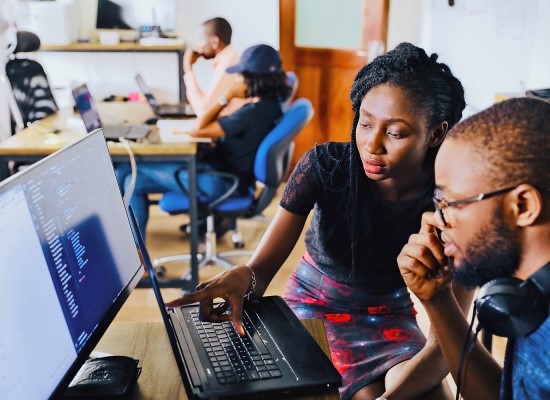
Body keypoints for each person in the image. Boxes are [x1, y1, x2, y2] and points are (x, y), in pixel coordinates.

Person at [167, 42, 470, 400]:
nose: (372, 145)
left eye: (395, 132)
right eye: (366, 123)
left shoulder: (454, 202)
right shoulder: (325, 167)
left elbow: (447, 345)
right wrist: (243, 277)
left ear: (435, 133)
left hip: (389, 318)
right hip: (313, 307)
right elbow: (260, 271)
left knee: (433, 395)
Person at [397, 97, 550, 400]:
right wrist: (437, 300)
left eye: (449, 203)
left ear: (522, 206)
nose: (435, 220)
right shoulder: (528, 294)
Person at [116, 44, 291, 236]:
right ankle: (135, 250)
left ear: (253, 78)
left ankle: (135, 253)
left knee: (130, 174)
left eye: (241, 75)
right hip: (228, 177)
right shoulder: (271, 106)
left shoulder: (252, 113)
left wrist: (227, 96)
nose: (237, 79)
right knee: (129, 175)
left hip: (220, 182)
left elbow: (198, 129)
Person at [183, 17, 241, 118]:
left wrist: (188, 68)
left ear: (215, 42)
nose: (198, 45)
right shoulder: (228, 58)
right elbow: (207, 103)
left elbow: (204, 111)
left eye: (201, 39)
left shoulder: (228, 64)